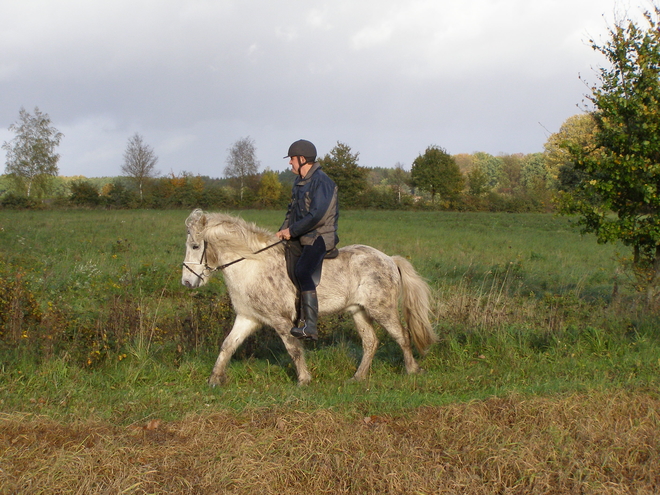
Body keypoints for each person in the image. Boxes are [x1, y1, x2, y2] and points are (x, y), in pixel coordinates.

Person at [276, 139, 339, 340]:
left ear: (302, 159)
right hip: (302, 235)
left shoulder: (323, 182)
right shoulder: (299, 181)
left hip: (320, 235)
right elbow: (292, 211)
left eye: (292, 159)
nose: (290, 163)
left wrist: (292, 231)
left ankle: (310, 325)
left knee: (303, 270)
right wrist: (282, 231)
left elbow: (316, 215)